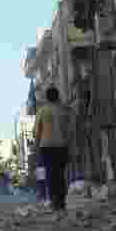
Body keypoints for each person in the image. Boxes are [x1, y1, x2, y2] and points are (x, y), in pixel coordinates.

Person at [32, 86, 70, 217]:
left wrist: (36, 148)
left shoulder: (42, 111)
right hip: (62, 146)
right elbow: (68, 130)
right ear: (57, 97)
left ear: (46, 98)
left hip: (47, 147)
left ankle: (55, 204)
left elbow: (36, 132)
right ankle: (62, 203)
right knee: (61, 175)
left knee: (51, 175)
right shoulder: (63, 111)